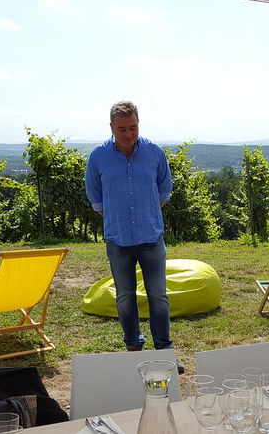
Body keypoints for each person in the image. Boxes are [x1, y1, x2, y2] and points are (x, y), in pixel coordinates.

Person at [85, 100, 183, 372]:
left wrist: (144, 216)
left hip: (151, 236)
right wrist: (119, 220)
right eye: (122, 129)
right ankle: (133, 348)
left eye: (133, 127)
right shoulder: (98, 156)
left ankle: (165, 350)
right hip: (117, 239)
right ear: (111, 128)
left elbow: (164, 190)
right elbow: (95, 197)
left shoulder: (154, 152)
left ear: (139, 124)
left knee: (158, 295)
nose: (128, 134)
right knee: (125, 295)